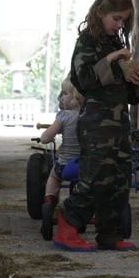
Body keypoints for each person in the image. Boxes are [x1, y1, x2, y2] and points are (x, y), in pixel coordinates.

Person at [54, 0, 139, 252]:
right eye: (116, 18)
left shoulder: (116, 41)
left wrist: (136, 80)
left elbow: (132, 96)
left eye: (124, 21)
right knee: (94, 178)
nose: (119, 25)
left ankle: (110, 233)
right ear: (99, 11)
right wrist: (113, 59)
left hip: (119, 125)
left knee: (119, 179)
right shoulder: (86, 42)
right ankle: (67, 227)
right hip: (96, 124)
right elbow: (83, 80)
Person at [38, 75, 83, 223]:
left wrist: (47, 134)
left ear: (76, 98)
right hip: (87, 167)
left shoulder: (63, 116)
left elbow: (45, 138)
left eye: (65, 93)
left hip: (64, 166)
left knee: (53, 177)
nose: (62, 97)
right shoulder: (89, 116)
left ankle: (50, 201)